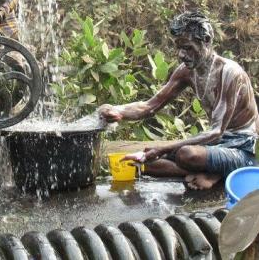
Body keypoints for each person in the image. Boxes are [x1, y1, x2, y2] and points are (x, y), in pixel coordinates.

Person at [99, 11, 259, 190]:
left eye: (188, 47)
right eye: (179, 48)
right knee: (142, 162)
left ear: (206, 40)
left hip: (243, 149)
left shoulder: (230, 72)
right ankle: (206, 171)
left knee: (186, 154)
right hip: (216, 145)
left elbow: (216, 132)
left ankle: (217, 172)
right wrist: (117, 110)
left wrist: (164, 148)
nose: (181, 54)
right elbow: (150, 106)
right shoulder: (186, 71)